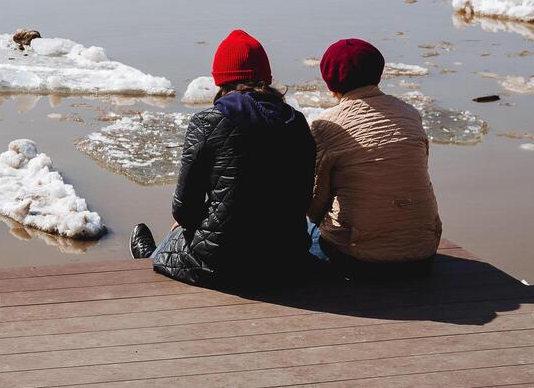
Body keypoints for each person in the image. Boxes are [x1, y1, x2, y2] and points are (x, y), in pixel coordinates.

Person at [131, 29, 318, 289]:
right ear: (266, 77)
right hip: (285, 258)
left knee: (175, 239)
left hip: (222, 263)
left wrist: (187, 225)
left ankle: (150, 255)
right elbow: (302, 198)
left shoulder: (207, 122)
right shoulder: (295, 122)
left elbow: (185, 208)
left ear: (221, 80)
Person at [307, 38, 442, 279]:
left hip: (359, 259)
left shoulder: (326, 125)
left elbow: (315, 203)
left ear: (331, 82)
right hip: (423, 253)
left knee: (305, 229)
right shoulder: (409, 114)